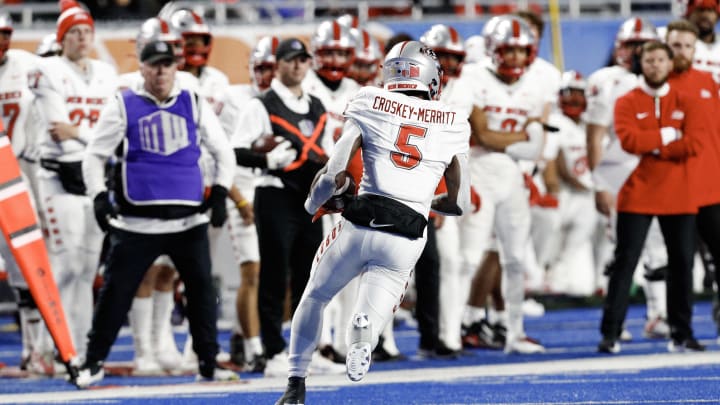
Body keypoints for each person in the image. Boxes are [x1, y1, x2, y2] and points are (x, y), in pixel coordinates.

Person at [276, 40, 471, 405]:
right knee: (379, 298)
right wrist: (422, 199)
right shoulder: (454, 119)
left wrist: (312, 205)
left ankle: (295, 383)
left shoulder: (369, 101)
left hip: (362, 217)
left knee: (315, 296)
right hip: (409, 229)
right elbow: (460, 201)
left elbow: (333, 173)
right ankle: (365, 332)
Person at [71, 40, 238, 388]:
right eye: (154, 65)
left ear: (176, 67)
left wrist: (220, 191)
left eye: (167, 64)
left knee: (202, 292)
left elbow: (224, 152)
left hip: (189, 220)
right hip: (137, 222)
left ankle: (208, 362)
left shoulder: (193, 102)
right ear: (142, 68)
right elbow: (93, 156)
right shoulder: (122, 104)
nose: (161, 71)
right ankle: (92, 361)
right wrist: (99, 197)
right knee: (115, 293)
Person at [231, 38, 331, 377]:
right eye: (290, 60)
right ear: (278, 64)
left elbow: (327, 154)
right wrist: (266, 159)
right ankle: (273, 350)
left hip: (308, 199)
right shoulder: (260, 105)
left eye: (303, 60)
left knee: (310, 279)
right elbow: (235, 152)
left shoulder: (318, 105)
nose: (298, 66)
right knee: (274, 275)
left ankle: (306, 349)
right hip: (274, 194)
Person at [599, 41, 705, 353]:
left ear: (670, 64)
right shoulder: (626, 101)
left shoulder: (687, 99)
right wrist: (666, 136)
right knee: (625, 262)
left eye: (660, 59)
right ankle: (610, 333)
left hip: (679, 192)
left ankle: (681, 333)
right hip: (636, 191)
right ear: (640, 64)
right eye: (649, 60)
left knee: (683, 264)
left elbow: (694, 143)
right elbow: (628, 140)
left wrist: (653, 145)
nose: (655, 65)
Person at [28, 0, 118, 363]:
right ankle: (50, 346)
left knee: (87, 268)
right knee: (65, 266)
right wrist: (91, 135)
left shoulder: (106, 73)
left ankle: (77, 348)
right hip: (57, 175)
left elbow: (106, 131)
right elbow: (58, 131)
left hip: (94, 176)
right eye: (74, 32)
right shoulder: (47, 69)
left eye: (86, 32)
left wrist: (81, 132)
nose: (81, 38)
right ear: (62, 38)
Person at [586, 17, 670, 341]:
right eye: (631, 45)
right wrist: (599, 183)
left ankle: (659, 314)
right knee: (623, 250)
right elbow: (594, 137)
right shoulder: (605, 81)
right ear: (620, 49)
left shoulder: (665, 80)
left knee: (659, 245)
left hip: (656, 169)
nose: (637, 52)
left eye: (642, 45)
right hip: (619, 171)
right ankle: (616, 321)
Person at [215, 35, 278, 372]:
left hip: (275, 194)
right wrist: (238, 200)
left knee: (275, 275)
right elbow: (220, 155)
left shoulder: (288, 101)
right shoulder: (233, 99)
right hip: (242, 190)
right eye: (262, 67)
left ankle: (246, 339)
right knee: (251, 271)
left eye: (272, 67)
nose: (267, 74)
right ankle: (254, 348)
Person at [665, 19, 720, 341]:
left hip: (711, 184)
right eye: (676, 45)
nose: (682, 51)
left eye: (687, 45)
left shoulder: (709, 82)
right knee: (681, 262)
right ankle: (680, 331)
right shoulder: (656, 86)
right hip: (676, 187)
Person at [684, 0, 720, 82]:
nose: (705, 15)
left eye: (710, 10)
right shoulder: (674, 40)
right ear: (688, 14)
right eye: (700, 10)